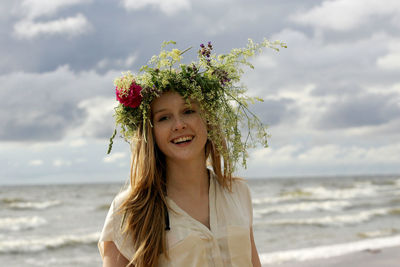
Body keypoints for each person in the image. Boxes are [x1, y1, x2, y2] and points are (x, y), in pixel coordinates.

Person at [99, 39, 286, 267]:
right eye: (164, 117)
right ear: (151, 132)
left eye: (188, 111)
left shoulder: (238, 193)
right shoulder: (129, 211)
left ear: (207, 120)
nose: (178, 125)